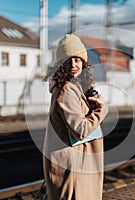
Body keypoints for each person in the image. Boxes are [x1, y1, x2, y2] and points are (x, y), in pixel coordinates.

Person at [43, 34, 109, 200]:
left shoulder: (71, 87)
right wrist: (101, 110)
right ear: (60, 64)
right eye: (68, 60)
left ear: (83, 63)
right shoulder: (67, 89)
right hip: (73, 165)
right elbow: (81, 130)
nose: (73, 64)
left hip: (74, 161)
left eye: (77, 60)